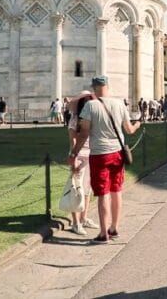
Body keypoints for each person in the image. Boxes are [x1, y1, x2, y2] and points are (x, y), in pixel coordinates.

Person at [70, 75, 140, 244]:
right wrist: (137, 125)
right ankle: (114, 228)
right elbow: (129, 130)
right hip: (117, 153)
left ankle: (103, 234)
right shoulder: (119, 104)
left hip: (99, 154)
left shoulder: (90, 105)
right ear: (107, 86)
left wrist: (73, 154)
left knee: (103, 194)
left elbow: (84, 133)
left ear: (93, 88)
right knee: (116, 191)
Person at [66, 91, 99, 235]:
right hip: (79, 155)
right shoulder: (74, 119)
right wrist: (74, 158)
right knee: (76, 189)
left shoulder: (92, 119)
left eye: (90, 101)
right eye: (86, 101)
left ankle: (84, 218)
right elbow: (73, 140)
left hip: (91, 155)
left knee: (87, 189)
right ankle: (75, 222)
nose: (89, 103)